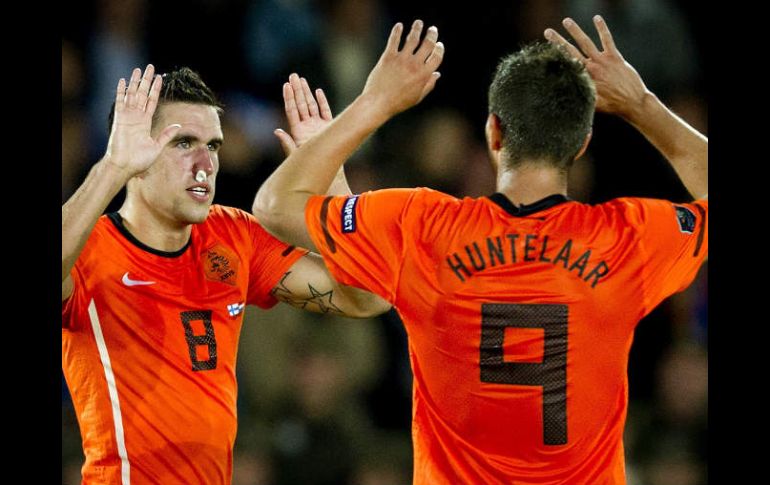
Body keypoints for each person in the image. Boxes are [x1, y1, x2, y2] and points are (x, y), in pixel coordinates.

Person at [254, 16, 707, 484]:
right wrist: (641, 105)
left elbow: (273, 205)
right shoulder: (626, 239)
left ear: (493, 132)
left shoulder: (425, 227)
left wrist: (373, 104)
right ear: (582, 144)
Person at [61, 65, 390, 484]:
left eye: (213, 146)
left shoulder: (234, 236)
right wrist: (113, 166)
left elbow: (367, 297)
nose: (204, 165)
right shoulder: (90, 249)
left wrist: (332, 178)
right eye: (184, 143)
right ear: (136, 154)